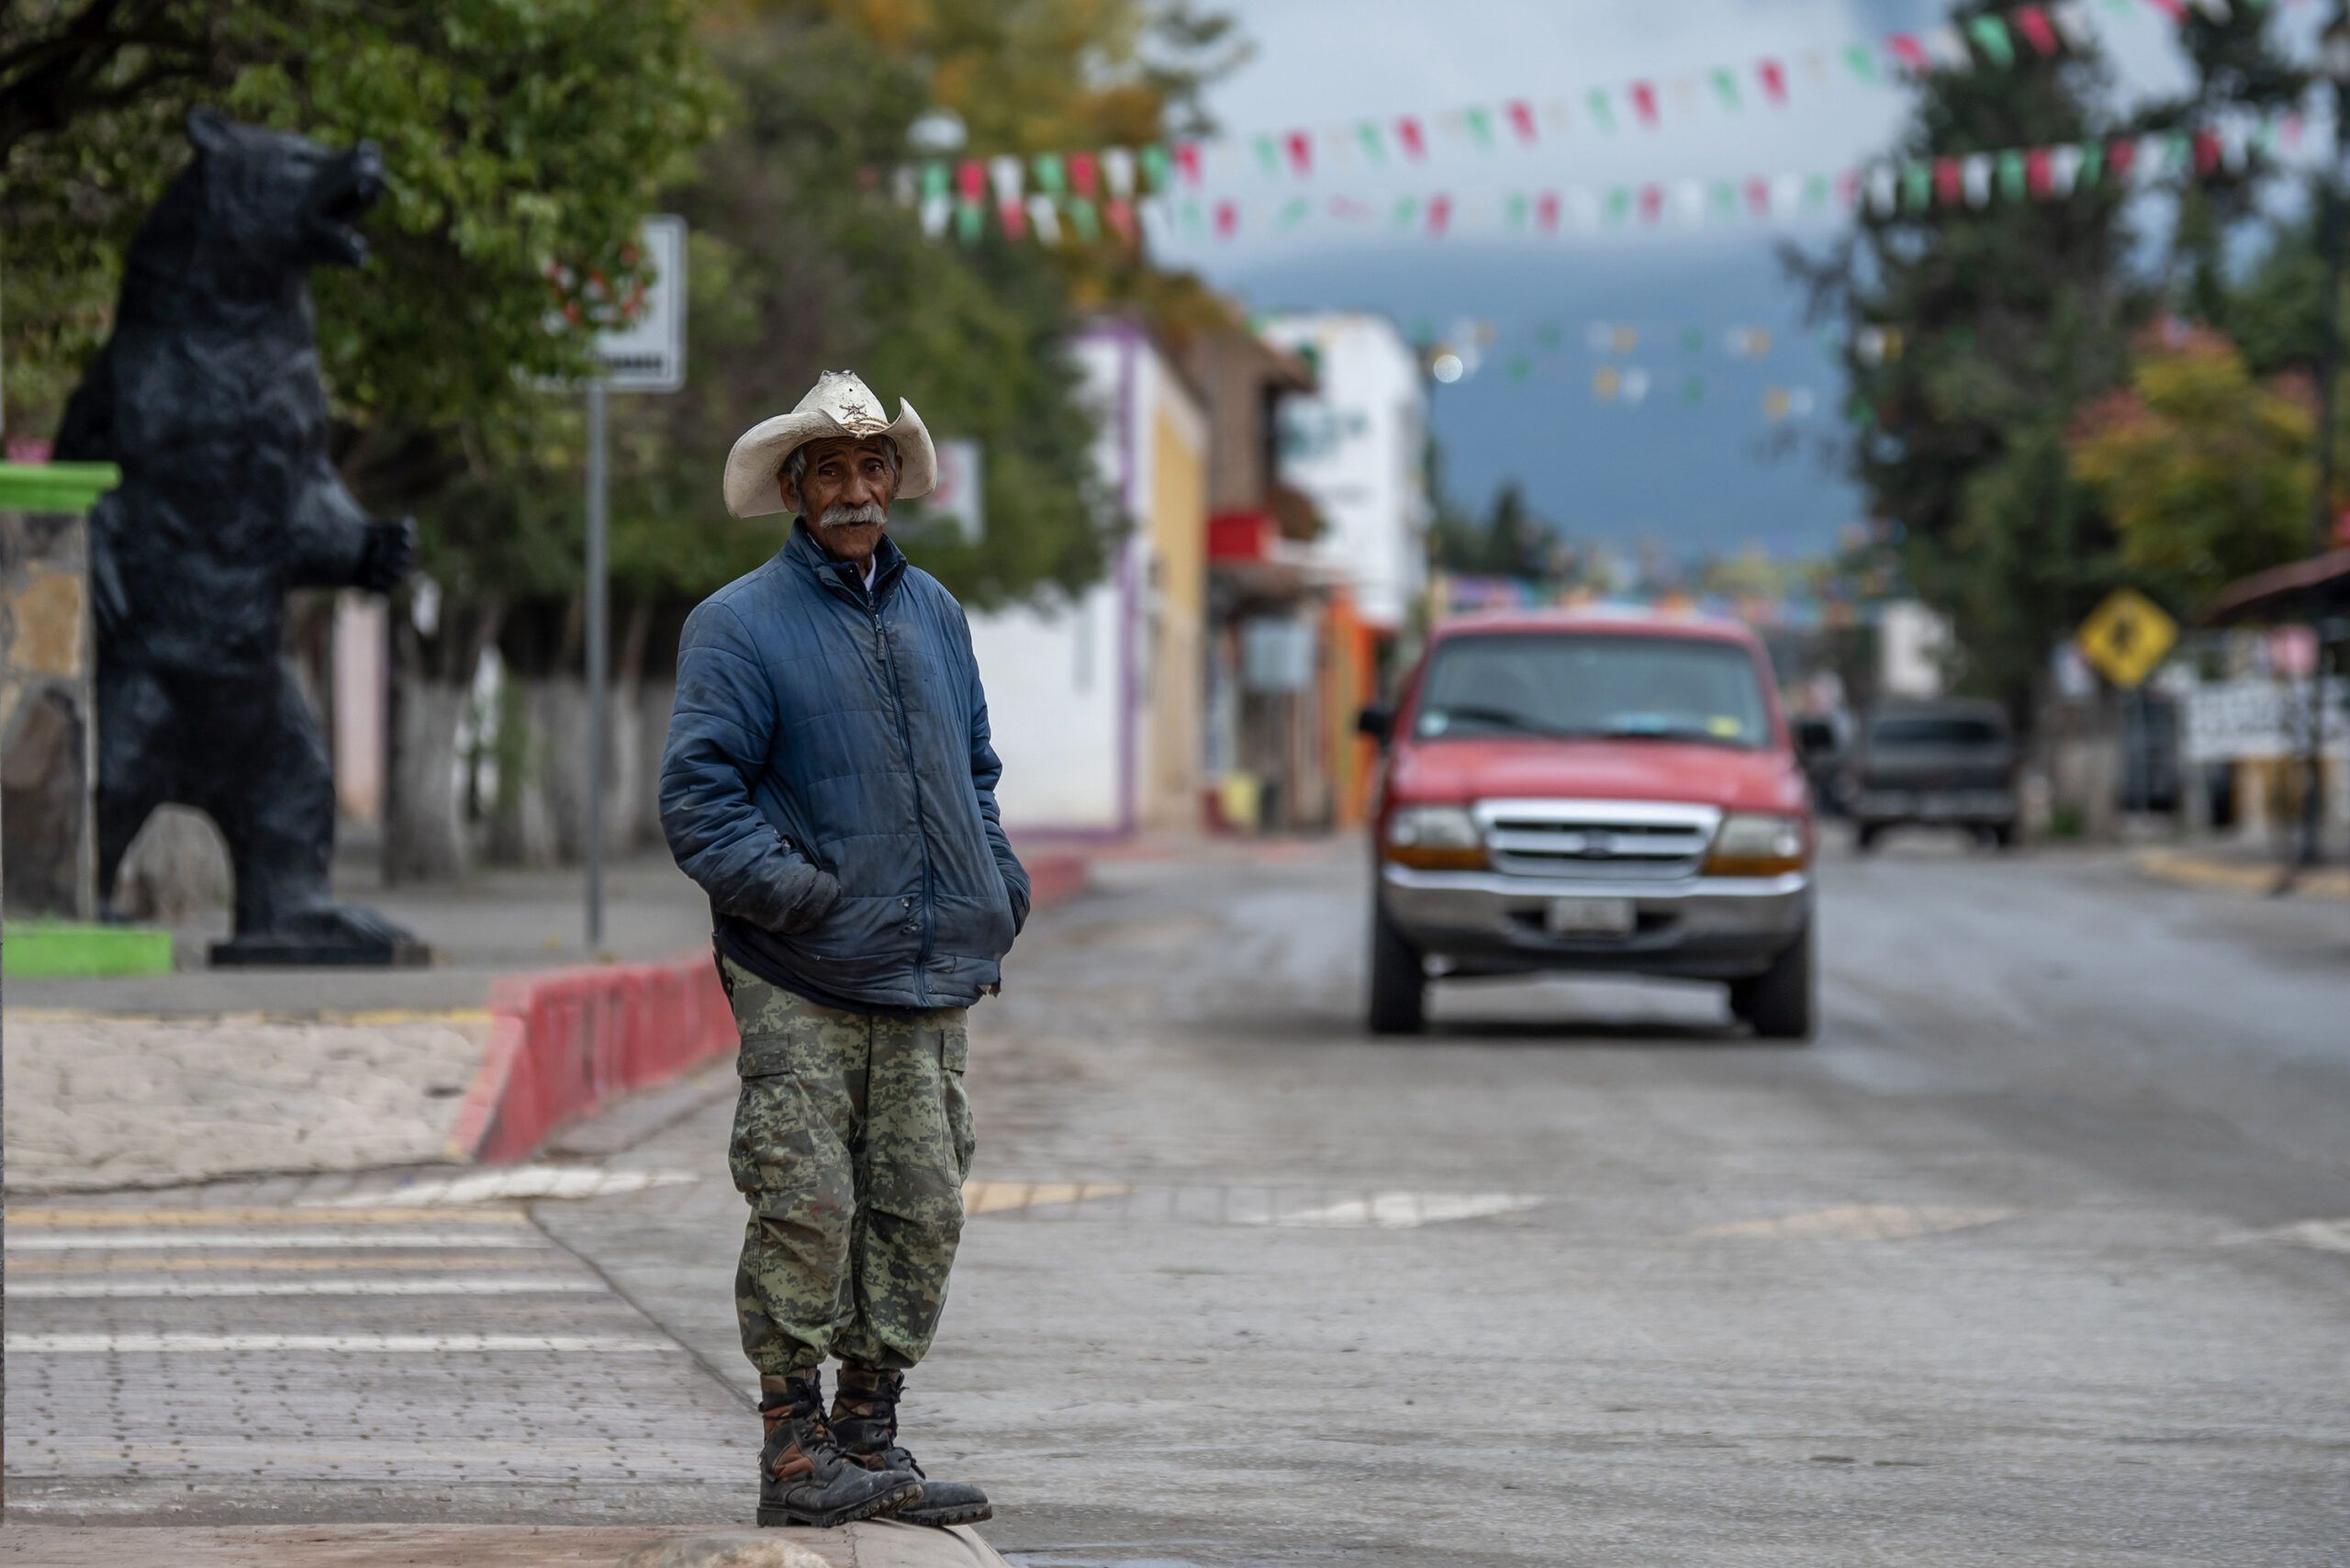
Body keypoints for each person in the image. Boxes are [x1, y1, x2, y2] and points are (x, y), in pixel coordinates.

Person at [660, 371, 1029, 1529]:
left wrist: (995, 884)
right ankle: (794, 1451)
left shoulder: (939, 616)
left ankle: (870, 1438)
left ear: (894, 482)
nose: (856, 490)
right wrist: (800, 899)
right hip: (801, 971)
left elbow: (975, 771)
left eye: (874, 469)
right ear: (792, 488)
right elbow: (699, 799)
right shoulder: (736, 624)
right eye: (831, 470)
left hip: (929, 970)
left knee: (920, 1206)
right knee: (805, 1200)